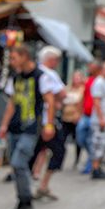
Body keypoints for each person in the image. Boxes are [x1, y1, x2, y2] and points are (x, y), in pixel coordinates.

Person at [0, 43, 56, 209]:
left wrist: (49, 124)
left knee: (18, 163)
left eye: (14, 58)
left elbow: (50, 101)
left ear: (24, 56)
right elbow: (11, 103)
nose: (12, 62)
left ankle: (26, 200)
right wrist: (4, 125)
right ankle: (22, 201)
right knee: (17, 167)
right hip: (15, 127)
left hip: (30, 128)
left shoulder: (40, 77)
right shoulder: (16, 77)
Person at [32, 45, 66, 200]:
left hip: (34, 120)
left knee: (38, 150)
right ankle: (41, 185)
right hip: (46, 121)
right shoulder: (49, 74)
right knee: (58, 151)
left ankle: (35, 183)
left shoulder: (35, 73)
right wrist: (50, 123)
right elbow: (61, 94)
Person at [61, 70, 84, 168]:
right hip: (66, 117)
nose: (76, 79)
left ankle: (77, 160)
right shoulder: (67, 88)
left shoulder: (83, 89)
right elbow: (62, 100)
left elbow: (81, 102)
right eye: (75, 77)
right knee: (62, 140)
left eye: (78, 77)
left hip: (76, 117)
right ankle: (60, 159)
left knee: (77, 140)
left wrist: (79, 114)